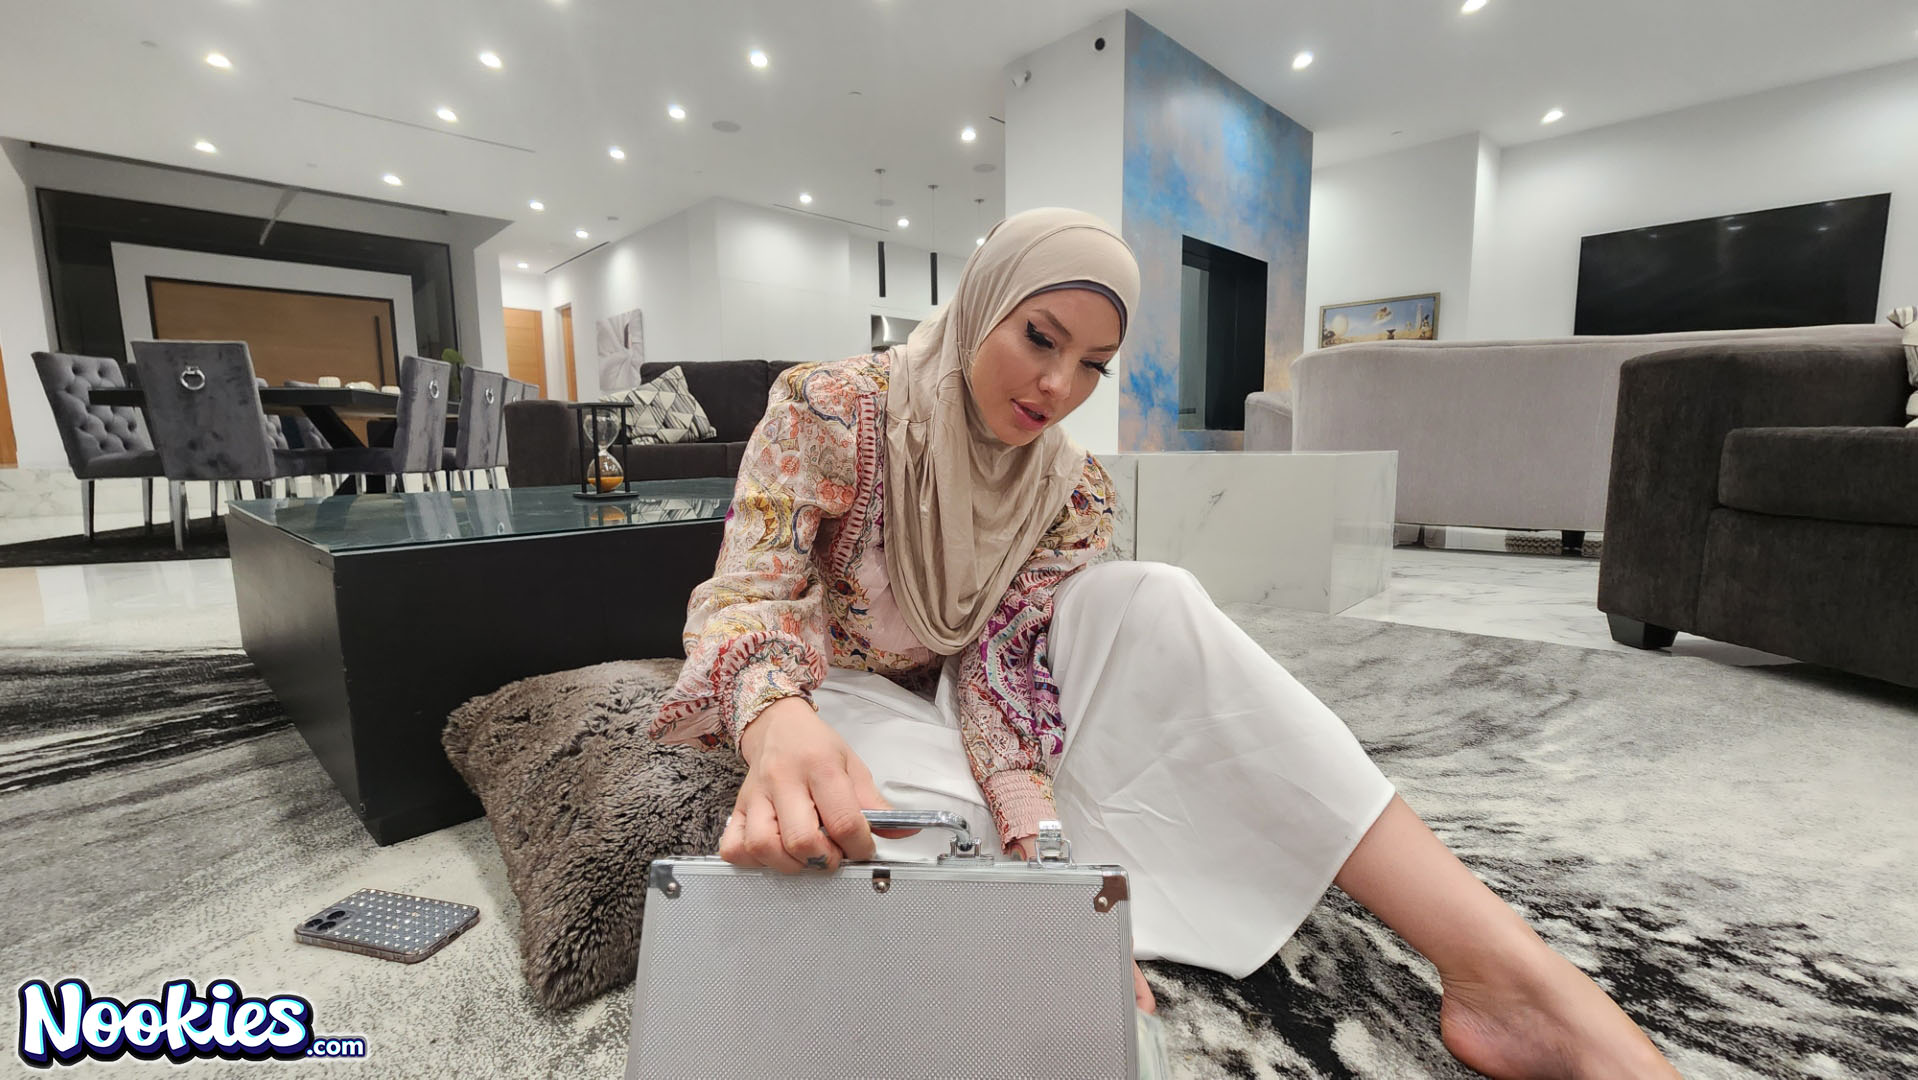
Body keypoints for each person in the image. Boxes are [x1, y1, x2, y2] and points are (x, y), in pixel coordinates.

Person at [650, 208, 1678, 1079]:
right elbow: (747, 590)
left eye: (1092, 366)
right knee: (901, 832)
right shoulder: (832, 409)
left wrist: (1034, 839)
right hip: (837, 683)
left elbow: (1005, 668)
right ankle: (1037, 915)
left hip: (973, 684)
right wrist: (776, 721)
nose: (1057, 387)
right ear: (979, 304)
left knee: (1158, 600)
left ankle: (1507, 973)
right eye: (1039, 338)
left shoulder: (1067, 488)